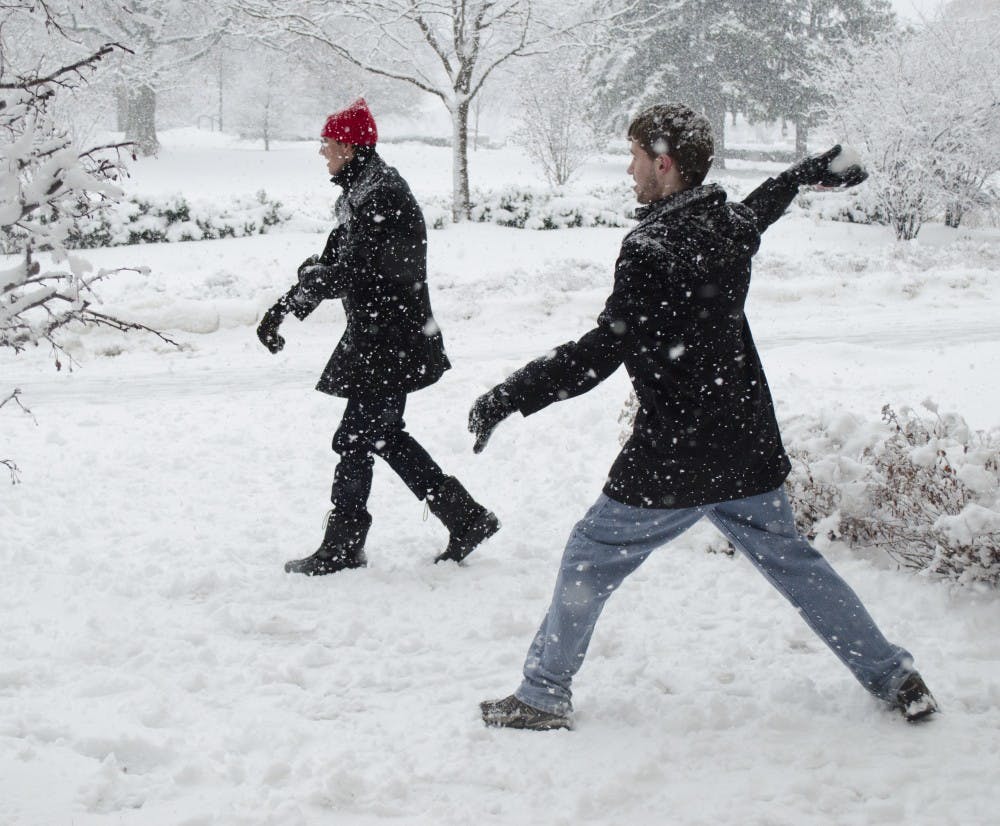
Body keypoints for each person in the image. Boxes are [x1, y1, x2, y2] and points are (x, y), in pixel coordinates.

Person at [470, 103, 938, 730]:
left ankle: (544, 693)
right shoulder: (726, 227)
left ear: (663, 164)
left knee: (588, 555)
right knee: (795, 564)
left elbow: (602, 350)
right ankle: (894, 676)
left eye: (635, 157)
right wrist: (800, 176)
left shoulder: (649, 248)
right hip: (743, 443)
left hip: (673, 456)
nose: (629, 169)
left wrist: (510, 394)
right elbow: (757, 210)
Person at [257, 98, 498, 576]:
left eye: (327, 144)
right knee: (380, 436)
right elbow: (332, 262)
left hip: (392, 339)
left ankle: (346, 544)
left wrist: (306, 287)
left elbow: (352, 271)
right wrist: (284, 307)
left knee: (356, 438)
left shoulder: (382, 194)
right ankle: (464, 517)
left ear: (350, 146)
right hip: (381, 339)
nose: (322, 152)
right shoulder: (359, 192)